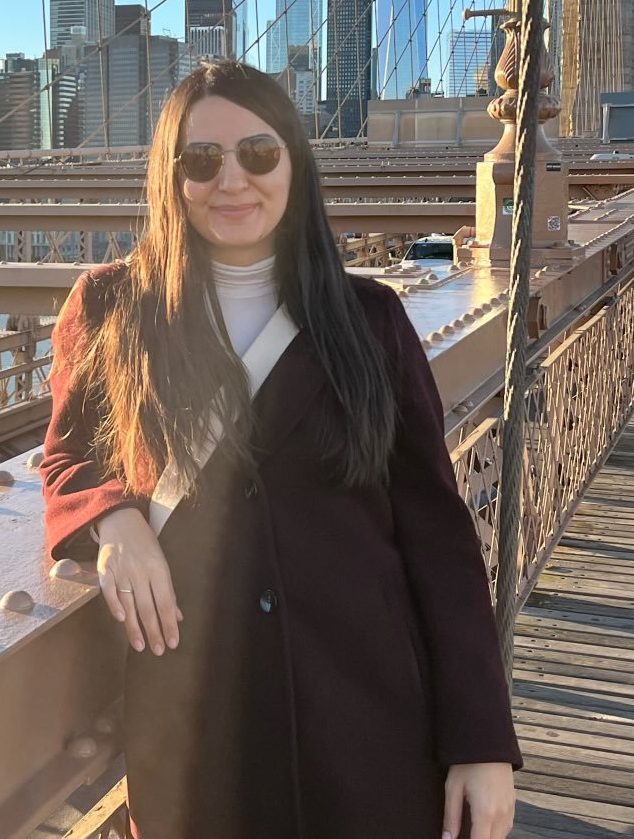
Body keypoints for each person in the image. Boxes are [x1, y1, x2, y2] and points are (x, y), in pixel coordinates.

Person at [40, 62, 520, 839]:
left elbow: (439, 539)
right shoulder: (110, 308)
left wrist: (482, 742)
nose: (231, 180)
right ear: (172, 178)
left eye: (258, 154)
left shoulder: (370, 321)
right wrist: (113, 520)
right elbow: (67, 458)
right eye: (201, 160)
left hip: (368, 731)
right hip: (197, 741)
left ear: (294, 163)